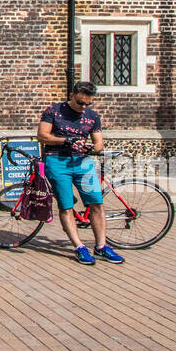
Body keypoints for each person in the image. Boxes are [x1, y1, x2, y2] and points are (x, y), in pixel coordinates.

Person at [38, 81, 123, 265]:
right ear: (71, 95)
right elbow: (42, 135)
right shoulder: (53, 111)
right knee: (66, 205)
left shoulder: (92, 116)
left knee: (97, 203)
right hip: (57, 161)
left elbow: (99, 142)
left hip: (83, 162)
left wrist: (92, 147)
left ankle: (101, 246)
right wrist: (66, 141)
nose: (83, 107)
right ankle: (79, 247)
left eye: (88, 104)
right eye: (80, 103)